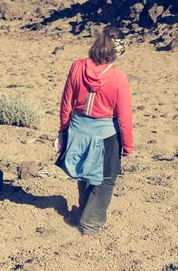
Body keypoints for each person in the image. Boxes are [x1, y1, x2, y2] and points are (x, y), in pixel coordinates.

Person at [55, 26, 133, 238]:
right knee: (105, 179)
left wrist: (63, 131)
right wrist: (127, 144)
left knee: (84, 172)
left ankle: (84, 213)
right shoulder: (119, 78)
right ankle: (90, 226)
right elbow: (124, 117)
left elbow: (66, 102)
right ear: (117, 51)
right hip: (106, 133)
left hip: (78, 128)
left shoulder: (77, 66)